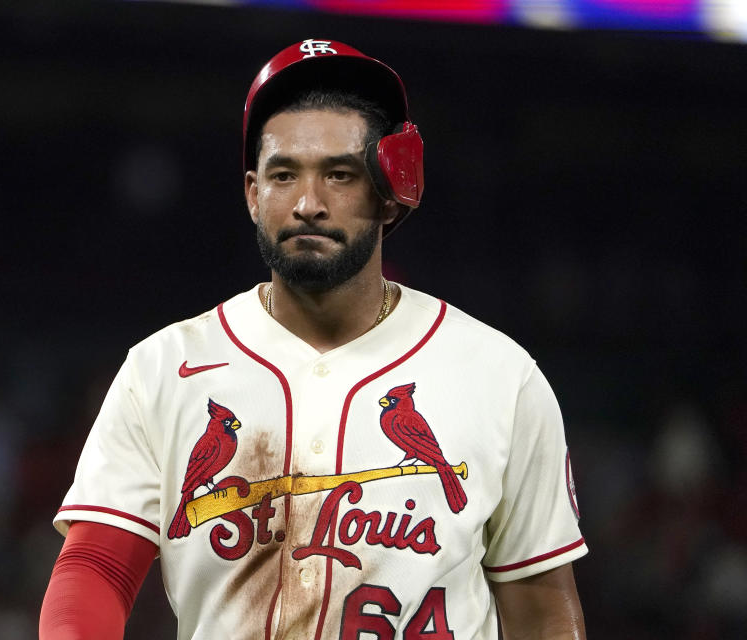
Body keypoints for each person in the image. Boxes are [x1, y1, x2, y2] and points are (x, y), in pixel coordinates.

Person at [40, 39, 587, 640]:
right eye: (283, 175)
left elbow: (542, 614)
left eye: (340, 174)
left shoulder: (499, 375)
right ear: (253, 194)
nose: (308, 203)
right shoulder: (164, 367)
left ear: (387, 191)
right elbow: (93, 571)